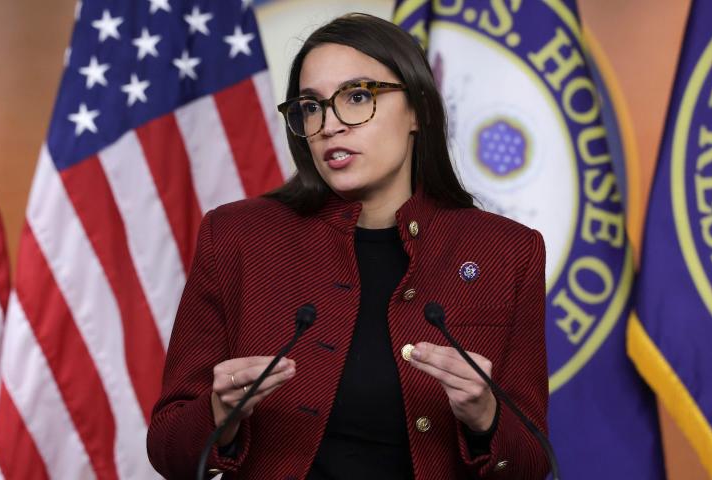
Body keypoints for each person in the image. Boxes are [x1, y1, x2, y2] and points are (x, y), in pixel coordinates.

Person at [147, 13, 548, 479]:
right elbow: (168, 448)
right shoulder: (236, 237)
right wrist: (219, 414)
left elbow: (530, 464)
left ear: (418, 108)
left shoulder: (508, 252)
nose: (329, 125)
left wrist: (485, 417)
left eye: (357, 97)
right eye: (311, 107)